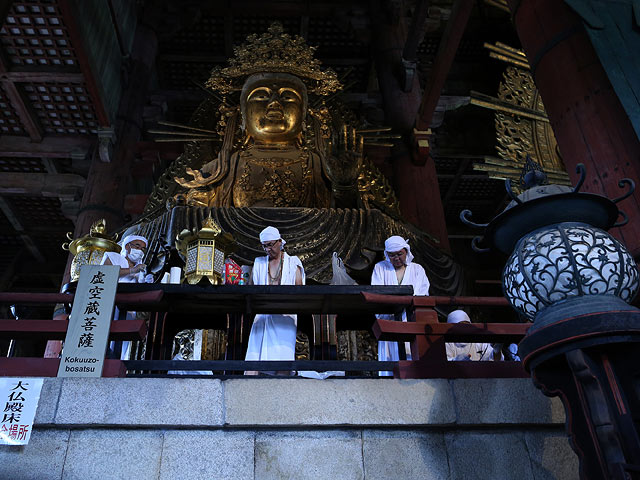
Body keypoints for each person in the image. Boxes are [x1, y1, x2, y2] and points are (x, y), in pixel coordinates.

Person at [245, 226, 304, 374]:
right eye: (264, 246)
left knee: (282, 360)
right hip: (263, 316)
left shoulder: (292, 263)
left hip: (285, 317)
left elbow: (299, 290)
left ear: (279, 242)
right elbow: (250, 289)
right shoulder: (259, 263)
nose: (267, 249)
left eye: (270, 245)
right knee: (253, 359)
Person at [372, 236, 430, 376]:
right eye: (392, 255)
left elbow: (422, 293)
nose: (396, 258)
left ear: (406, 251)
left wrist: (406, 305)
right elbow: (377, 292)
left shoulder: (417, 269)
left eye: (399, 254)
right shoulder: (380, 268)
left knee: (413, 356)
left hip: (411, 320)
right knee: (390, 357)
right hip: (389, 319)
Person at [100, 234, 153, 359]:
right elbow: (104, 273)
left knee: (123, 344)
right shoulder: (113, 257)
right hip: (109, 304)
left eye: (143, 249)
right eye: (137, 246)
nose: (140, 250)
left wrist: (147, 281)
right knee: (104, 338)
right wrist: (131, 271)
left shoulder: (141, 268)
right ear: (128, 246)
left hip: (130, 311)